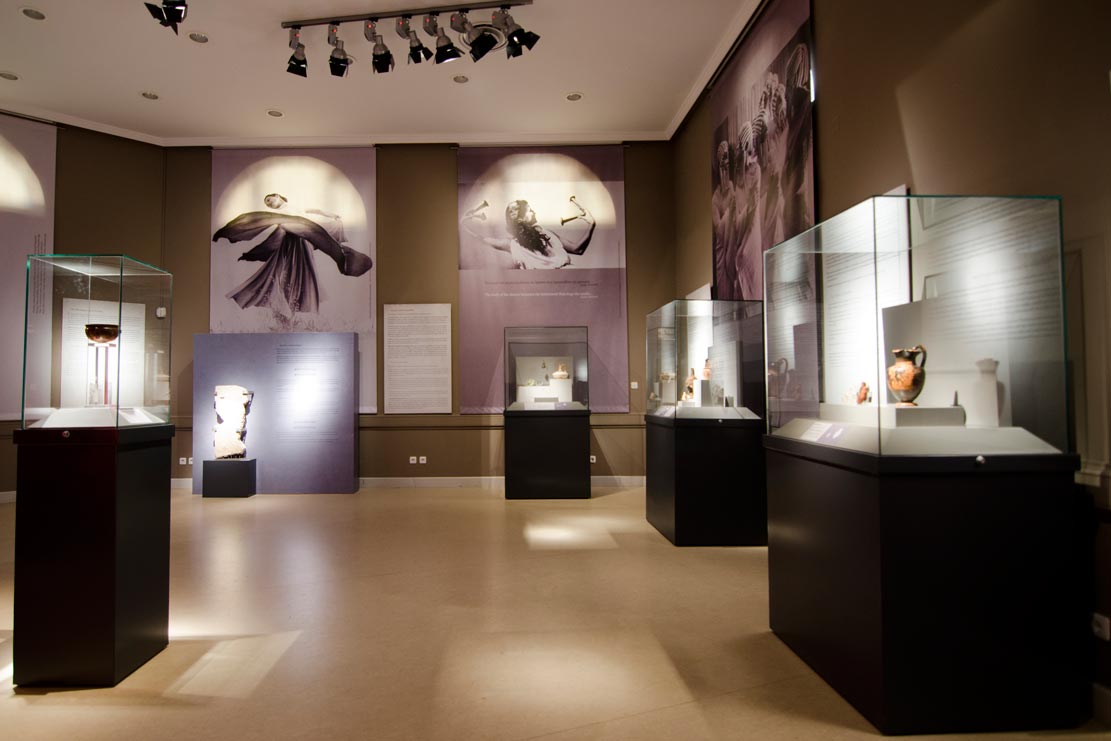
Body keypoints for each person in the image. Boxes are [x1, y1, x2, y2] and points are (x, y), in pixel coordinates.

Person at [213, 193, 373, 319]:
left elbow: (316, 211)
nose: (269, 203)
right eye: (267, 203)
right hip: (292, 242)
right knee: (288, 274)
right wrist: (254, 253)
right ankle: (288, 308)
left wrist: (332, 216)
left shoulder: (295, 208)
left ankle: (295, 307)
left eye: (269, 200)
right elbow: (278, 235)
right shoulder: (280, 217)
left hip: (304, 240)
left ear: (278, 196)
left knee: (305, 273)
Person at [461, 196, 595, 269]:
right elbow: (578, 249)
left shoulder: (511, 244)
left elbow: (578, 250)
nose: (534, 212)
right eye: (530, 210)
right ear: (520, 218)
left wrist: (463, 222)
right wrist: (591, 225)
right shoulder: (512, 244)